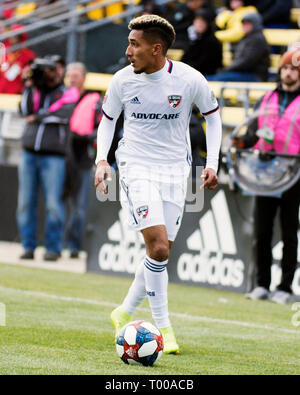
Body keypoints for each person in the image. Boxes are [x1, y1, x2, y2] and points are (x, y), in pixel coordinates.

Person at [94, 14, 222, 354]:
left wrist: (211, 163)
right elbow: (107, 121)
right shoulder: (122, 80)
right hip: (136, 167)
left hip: (175, 171)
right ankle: (164, 329)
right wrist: (102, 159)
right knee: (160, 248)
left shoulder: (189, 79)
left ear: (157, 48)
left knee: (159, 253)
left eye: (135, 44)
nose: (128, 51)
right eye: (129, 43)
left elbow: (213, 114)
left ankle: (122, 312)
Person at [233, 50, 300, 304]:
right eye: (285, 68)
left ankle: (284, 288)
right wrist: (245, 141)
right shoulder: (267, 98)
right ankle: (262, 284)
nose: (289, 73)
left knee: (289, 231)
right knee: (262, 229)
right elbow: (252, 129)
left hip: (294, 172)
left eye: (294, 69)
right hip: (265, 171)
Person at [17, 56, 79, 261]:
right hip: (28, 153)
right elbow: (24, 111)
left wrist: (38, 117)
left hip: (54, 156)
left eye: (57, 68)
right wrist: (29, 85)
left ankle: (53, 248)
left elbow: (63, 115)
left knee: (53, 203)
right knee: (25, 202)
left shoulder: (67, 92)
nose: (53, 72)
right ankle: (28, 246)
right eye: (50, 69)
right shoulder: (36, 89)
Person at [64, 62, 102, 258]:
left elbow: (102, 127)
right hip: (62, 157)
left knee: (80, 206)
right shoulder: (61, 98)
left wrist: (86, 136)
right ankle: (60, 244)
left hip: (83, 159)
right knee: (62, 203)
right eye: (70, 74)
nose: (72, 78)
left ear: (84, 77)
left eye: (76, 74)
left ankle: (73, 245)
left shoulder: (93, 99)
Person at [207, 12, 270, 82]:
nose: (244, 26)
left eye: (247, 23)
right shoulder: (247, 38)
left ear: (255, 24)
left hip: (254, 76)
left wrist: (227, 69)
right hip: (243, 73)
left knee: (215, 79)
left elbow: (246, 62)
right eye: (243, 24)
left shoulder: (257, 39)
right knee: (213, 78)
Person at [181, 8, 223, 76]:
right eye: (197, 21)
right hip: (192, 74)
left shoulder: (212, 41)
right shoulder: (194, 39)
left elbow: (204, 65)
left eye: (202, 22)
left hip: (207, 76)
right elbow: (184, 58)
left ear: (208, 24)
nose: (199, 24)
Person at [0, 24, 35, 94]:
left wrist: (21, 70)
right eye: (11, 35)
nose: (12, 38)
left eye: (15, 36)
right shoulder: (3, 50)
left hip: (17, 92)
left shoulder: (27, 54)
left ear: (20, 37)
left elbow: (30, 73)